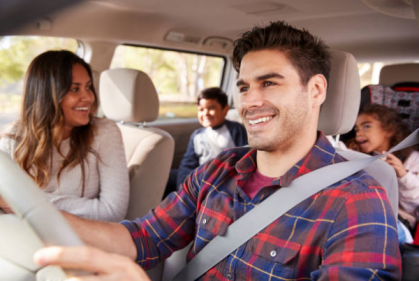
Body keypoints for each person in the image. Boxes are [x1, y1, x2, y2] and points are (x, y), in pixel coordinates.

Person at [34, 21, 401, 280]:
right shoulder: (217, 171)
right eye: (243, 87)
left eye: (269, 83)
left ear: (316, 90)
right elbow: (141, 237)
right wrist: (33, 212)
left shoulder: (357, 201)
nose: (250, 102)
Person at [0, 50, 129, 222]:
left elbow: (112, 212)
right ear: (46, 95)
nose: (89, 97)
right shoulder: (13, 139)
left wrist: (26, 203)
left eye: (88, 87)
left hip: (81, 242)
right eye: (75, 89)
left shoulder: (104, 133)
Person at [352, 104, 419, 237]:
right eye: (356, 129)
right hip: (363, 214)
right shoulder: (357, 157)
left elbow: (414, 204)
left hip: (398, 222)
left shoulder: (413, 159)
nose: (359, 133)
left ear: (389, 130)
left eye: (366, 126)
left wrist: (403, 175)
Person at [168, 87, 247, 194]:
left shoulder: (235, 129)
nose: (205, 113)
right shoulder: (197, 135)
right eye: (201, 109)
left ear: (225, 110)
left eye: (211, 108)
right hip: (201, 177)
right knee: (166, 176)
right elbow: (187, 164)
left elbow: (244, 157)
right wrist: (182, 188)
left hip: (224, 177)